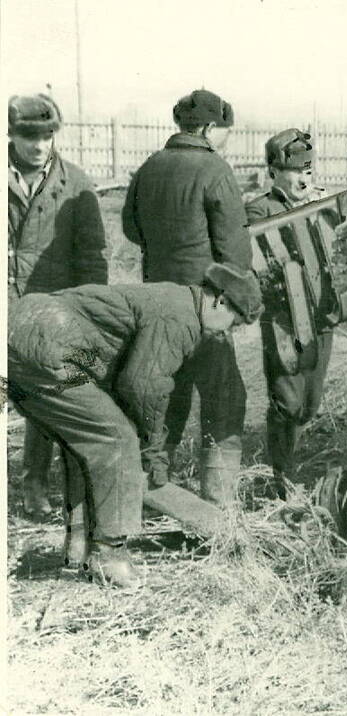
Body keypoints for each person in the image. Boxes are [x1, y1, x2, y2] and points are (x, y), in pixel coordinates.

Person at [6, 263, 262, 588]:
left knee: (84, 441)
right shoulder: (180, 319)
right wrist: (152, 453)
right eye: (234, 323)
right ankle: (108, 555)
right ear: (220, 301)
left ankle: (78, 544)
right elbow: (141, 387)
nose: (226, 333)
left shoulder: (173, 300)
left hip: (23, 333)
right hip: (45, 343)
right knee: (116, 438)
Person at [121, 89, 252, 505]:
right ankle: (218, 498)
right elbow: (235, 253)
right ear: (211, 129)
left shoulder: (148, 168)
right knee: (224, 395)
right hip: (205, 306)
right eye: (225, 132)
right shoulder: (215, 170)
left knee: (166, 395)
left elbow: (131, 229)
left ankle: (155, 488)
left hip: (156, 302)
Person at [7, 93, 109, 518]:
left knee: (47, 395)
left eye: (46, 136)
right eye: (28, 136)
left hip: (53, 310)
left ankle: (36, 483)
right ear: (10, 134)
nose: (38, 146)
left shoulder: (76, 183)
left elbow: (92, 255)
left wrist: (89, 310)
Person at [245, 129, 335, 497]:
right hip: (284, 318)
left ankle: (288, 464)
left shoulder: (321, 204)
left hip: (321, 316)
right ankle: (280, 474)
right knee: (288, 400)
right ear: (273, 173)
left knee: (310, 403)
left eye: (308, 171)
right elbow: (252, 259)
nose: (303, 179)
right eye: (294, 171)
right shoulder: (259, 209)